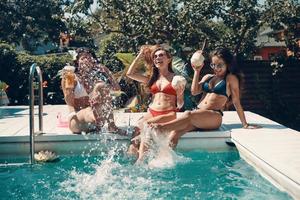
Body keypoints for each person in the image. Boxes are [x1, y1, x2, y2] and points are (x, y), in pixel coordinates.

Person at [151, 48, 260, 148]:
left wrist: (245, 124)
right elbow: (194, 91)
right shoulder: (208, 77)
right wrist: (196, 72)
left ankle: (161, 128)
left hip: (213, 116)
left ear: (228, 64)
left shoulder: (230, 78)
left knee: (188, 113)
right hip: (198, 115)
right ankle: (166, 159)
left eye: (219, 65)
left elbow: (236, 101)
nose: (216, 68)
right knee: (175, 134)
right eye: (213, 65)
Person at [126, 45, 186, 159]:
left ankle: (141, 160)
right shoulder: (152, 79)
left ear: (168, 59)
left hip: (168, 113)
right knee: (136, 131)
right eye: (155, 56)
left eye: (161, 55)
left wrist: (179, 94)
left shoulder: (176, 78)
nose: (158, 58)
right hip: (152, 112)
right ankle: (134, 155)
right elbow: (130, 74)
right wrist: (140, 55)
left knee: (146, 125)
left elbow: (180, 105)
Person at [61, 48, 126, 134]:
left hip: (95, 116)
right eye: (83, 58)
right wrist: (68, 80)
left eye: (89, 58)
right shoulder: (71, 77)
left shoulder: (94, 77)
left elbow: (117, 90)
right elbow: (69, 101)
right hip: (78, 120)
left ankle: (111, 126)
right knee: (88, 111)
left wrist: (106, 71)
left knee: (101, 86)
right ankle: (97, 119)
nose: (86, 60)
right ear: (77, 62)